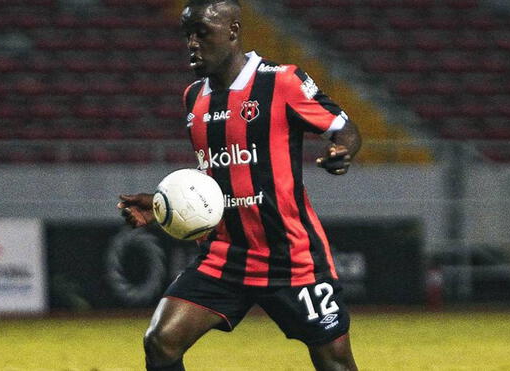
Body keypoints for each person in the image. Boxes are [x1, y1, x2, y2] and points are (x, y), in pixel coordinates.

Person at [118, 0, 362, 370]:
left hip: (290, 257)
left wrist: (341, 151)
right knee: (161, 342)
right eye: (188, 35)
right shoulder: (193, 98)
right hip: (225, 255)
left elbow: (344, 128)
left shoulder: (280, 81)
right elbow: (214, 179)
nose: (192, 44)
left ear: (232, 32)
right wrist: (160, 205)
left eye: (202, 33)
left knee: (335, 362)